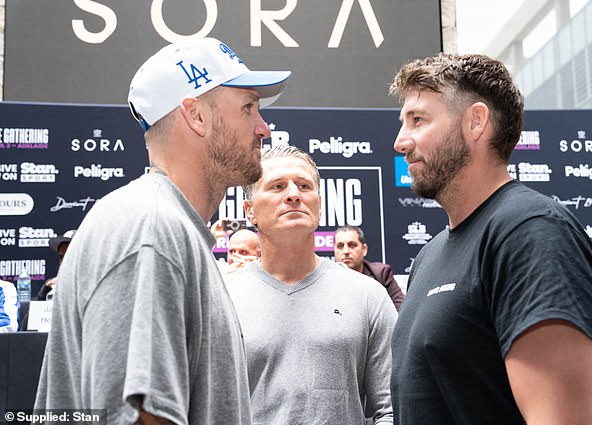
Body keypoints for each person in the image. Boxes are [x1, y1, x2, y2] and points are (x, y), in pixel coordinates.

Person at [34, 37, 291, 424]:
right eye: (249, 108)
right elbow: (141, 418)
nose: (264, 128)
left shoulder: (167, 226)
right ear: (196, 116)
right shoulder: (152, 230)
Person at [389, 53, 592, 425]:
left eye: (418, 120)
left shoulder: (533, 233)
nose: (400, 142)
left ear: (476, 122)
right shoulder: (429, 255)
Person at [226, 145, 397, 424]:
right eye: (277, 186)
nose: (293, 194)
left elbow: (392, 408)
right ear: (250, 211)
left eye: (304, 186)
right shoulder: (224, 298)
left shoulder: (368, 296)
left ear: (318, 203)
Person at [334, 225, 405, 310]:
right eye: (340, 246)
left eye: (352, 245)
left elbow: (401, 309)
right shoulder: (326, 278)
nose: (346, 251)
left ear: (364, 249)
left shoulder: (382, 274)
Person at [38, 229, 76, 300]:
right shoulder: (52, 286)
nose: (64, 261)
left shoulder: (91, 284)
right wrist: (45, 292)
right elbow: (39, 310)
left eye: (68, 255)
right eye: (61, 256)